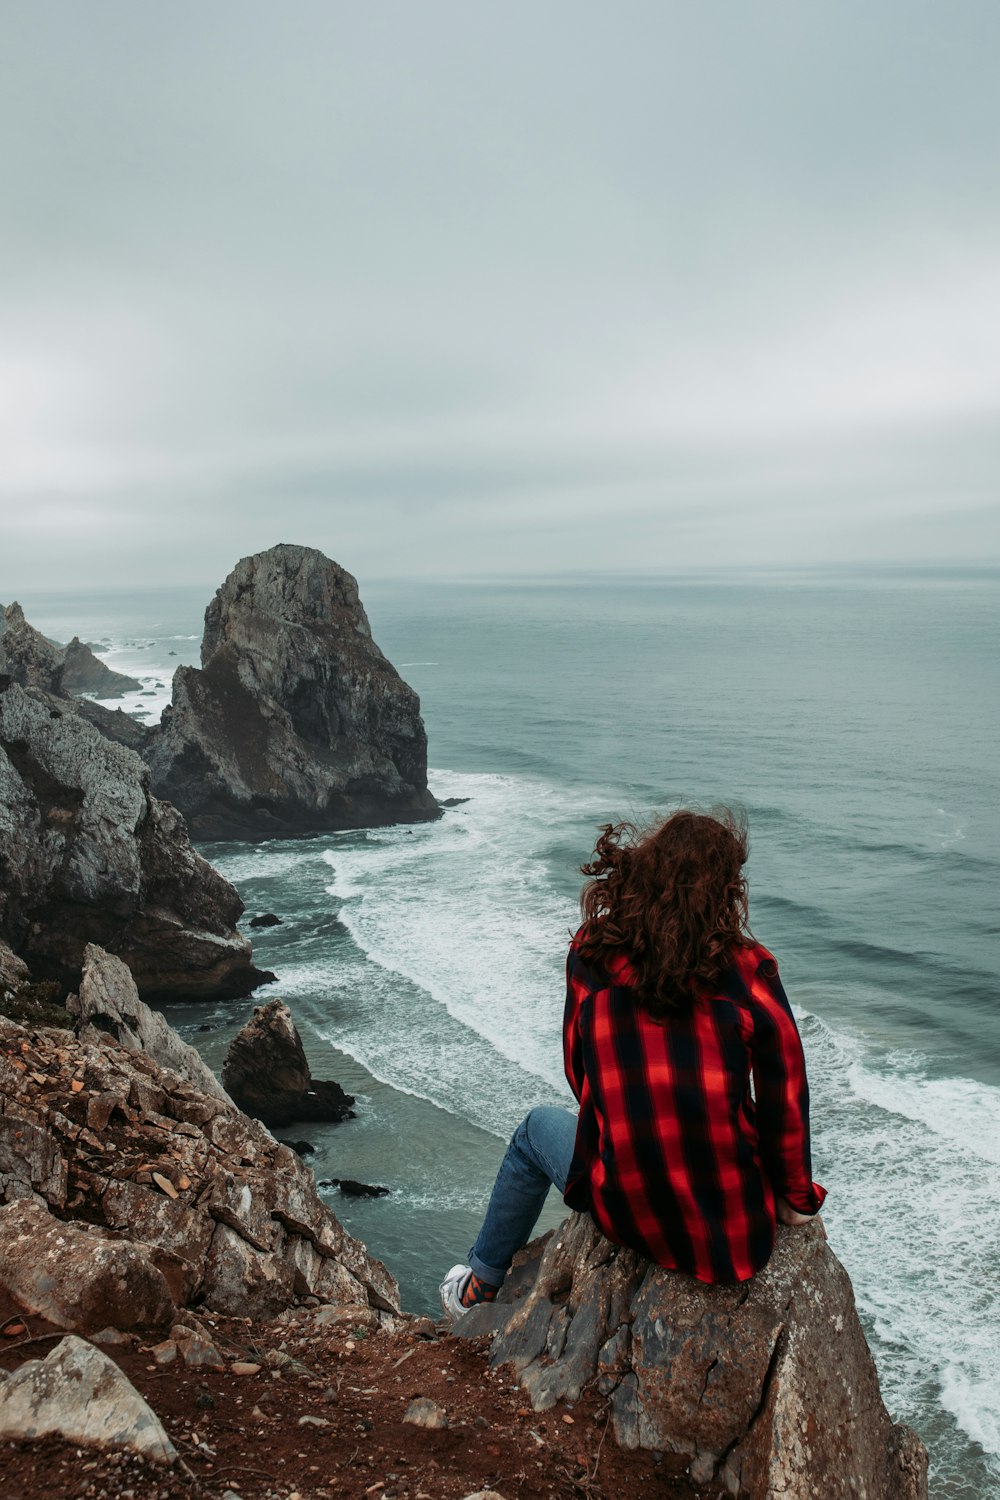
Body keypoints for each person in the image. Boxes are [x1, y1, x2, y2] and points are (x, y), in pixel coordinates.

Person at [440, 808, 826, 1317]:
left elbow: (582, 1078)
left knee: (534, 1131)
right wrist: (795, 1197)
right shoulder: (749, 971)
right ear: (725, 892)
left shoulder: (593, 951)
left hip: (624, 1210)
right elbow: (785, 1102)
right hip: (730, 1237)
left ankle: (477, 1289)